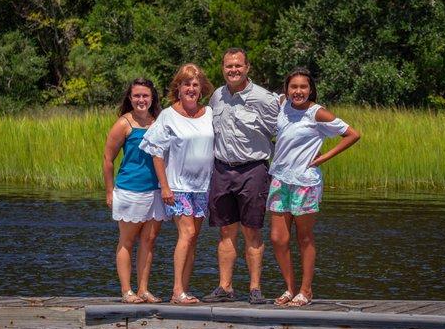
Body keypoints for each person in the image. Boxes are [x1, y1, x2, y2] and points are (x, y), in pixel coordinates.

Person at [268, 68, 360, 307]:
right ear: (286, 89)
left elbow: (352, 134)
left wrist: (323, 158)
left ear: (310, 90)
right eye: (293, 87)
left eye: (303, 87)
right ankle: (289, 288)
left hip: (305, 183)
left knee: (304, 238)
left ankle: (305, 290)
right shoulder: (281, 105)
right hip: (279, 179)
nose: (298, 91)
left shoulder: (317, 113)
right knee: (278, 238)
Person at [203, 48, 279, 304]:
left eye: (238, 65)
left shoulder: (265, 99)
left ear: (247, 67)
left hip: (253, 169)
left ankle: (255, 288)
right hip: (222, 169)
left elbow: (281, 132)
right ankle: (225, 287)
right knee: (225, 231)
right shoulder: (217, 97)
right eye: (228, 66)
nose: (233, 70)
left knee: (252, 230)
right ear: (222, 68)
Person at [139, 63, 214, 305]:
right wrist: (165, 187)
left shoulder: (209, 113)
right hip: (178, 186)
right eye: (186, 85)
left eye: (195, 84)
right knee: (187, 232)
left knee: (193, 238)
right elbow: (156, 152)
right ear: (178, 88)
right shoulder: (168, 115)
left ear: (201, 88)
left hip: (202, 186)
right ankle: (177, 290)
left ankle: (184, 289)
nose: (191, 89)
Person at [103, 78, 167, 304]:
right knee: (127, 241)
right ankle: (126, 291)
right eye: (137, 96)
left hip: (155, 192)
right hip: (130, 191)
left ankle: (143, 289)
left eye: (145, 96)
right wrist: (110, 191)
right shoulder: (124, 124)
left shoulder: (159, 121)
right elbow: (108, 159)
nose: (141, 100)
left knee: (149, 241)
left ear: (152, 98)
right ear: (130, 98)